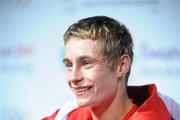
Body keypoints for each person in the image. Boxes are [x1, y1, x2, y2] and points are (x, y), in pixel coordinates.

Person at [42, 16, 176, 120]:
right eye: (69, 65)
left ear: (121, 66)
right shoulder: (67, 115)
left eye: (86, 63)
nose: (73, 78)